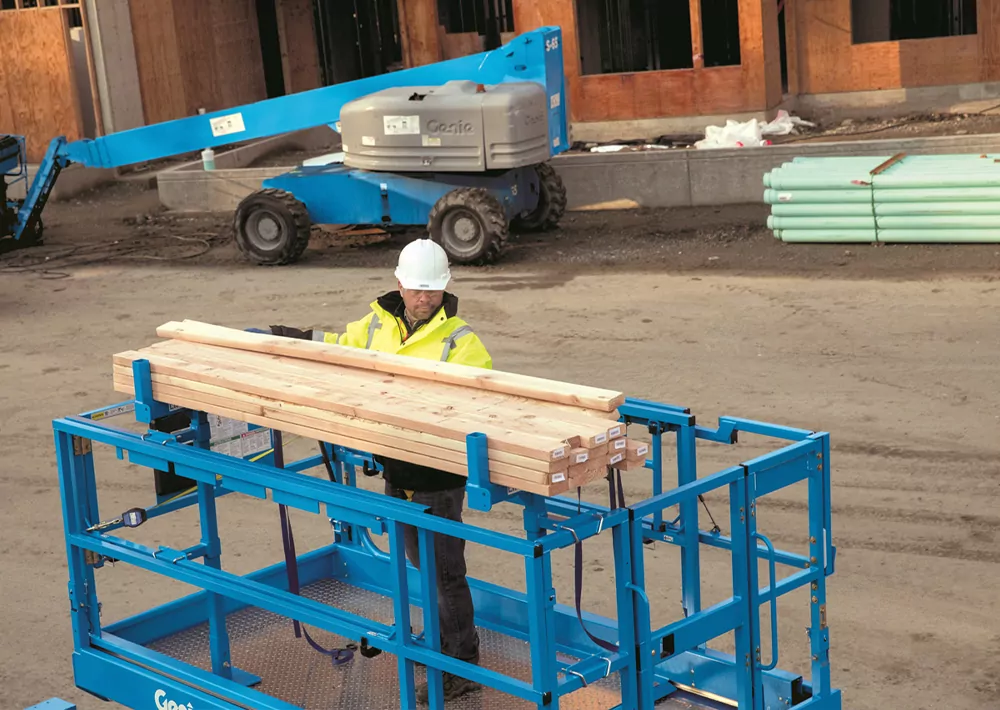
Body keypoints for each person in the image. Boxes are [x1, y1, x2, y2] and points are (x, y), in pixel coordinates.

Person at [256, 239, 490, 704]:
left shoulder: (460, 342)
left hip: (436, 479)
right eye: (418, 290)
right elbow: (341, 349)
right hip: (395, 469)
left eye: (433, 292)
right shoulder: (376, 324)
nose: (425, 300)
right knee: (418, 566)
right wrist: (297, 339)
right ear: (399, 283)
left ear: (445, 288)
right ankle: (441, 645)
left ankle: (461, 666)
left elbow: (478, 404)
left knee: (444, 574)